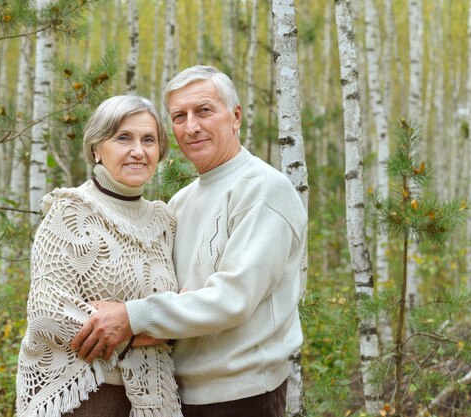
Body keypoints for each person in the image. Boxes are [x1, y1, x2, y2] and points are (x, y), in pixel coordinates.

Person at [71, 65, 308, 417]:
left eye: (204, 111)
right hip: (176, 395)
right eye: (179, 116)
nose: (191, 126)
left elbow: (233, 298)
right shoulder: (179, 203)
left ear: (235, 116)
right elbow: (168, 292)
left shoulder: (263, 189)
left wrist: (133, 316)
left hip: (241, 398)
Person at [16, 95, 182, 417]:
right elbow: (47, 309)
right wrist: (136, 335)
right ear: (96, 148)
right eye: (123, 138)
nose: (138, 150)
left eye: (148, 139)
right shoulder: (71, 210)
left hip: (153, 397)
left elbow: (182, 308)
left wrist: (139, 323)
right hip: (81, 395)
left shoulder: (165, 222)